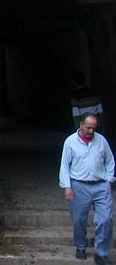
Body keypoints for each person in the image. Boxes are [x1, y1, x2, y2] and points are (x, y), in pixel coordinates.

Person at [59, 113, 115, 264]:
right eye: (88, 127)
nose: (91, 131)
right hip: (79, 185)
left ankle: (101, 253)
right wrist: (67, 186)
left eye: (94, 128)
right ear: (81, 125)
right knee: (79, 219)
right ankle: (81, 246)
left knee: (105, 220)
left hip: (101, 184)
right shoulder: (70, 142)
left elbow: (110, 160)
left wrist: (109, 180)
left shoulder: (101, 140)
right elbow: (65, 165)